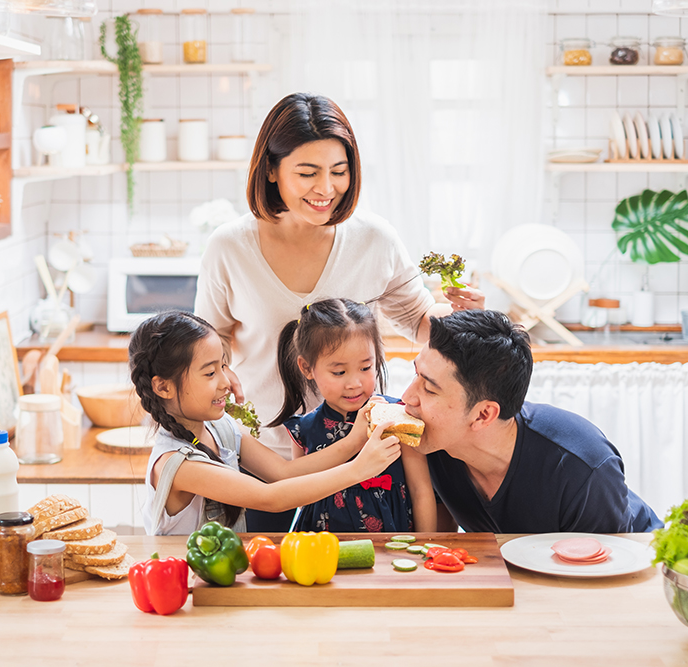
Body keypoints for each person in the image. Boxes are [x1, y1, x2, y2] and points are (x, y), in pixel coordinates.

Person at [195, 92, 484, 531]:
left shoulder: (374, 239)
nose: (326, 189)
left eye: (339, 171)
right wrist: (219, 380)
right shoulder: (229, 247)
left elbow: (422, 324)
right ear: (271, 170)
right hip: (270, 457)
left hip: (371, 454)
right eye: (307, 173)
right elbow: (207, 349)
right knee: (277, 587)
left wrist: (465, 318)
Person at [131, 310, 402, 536]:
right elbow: (270, 497)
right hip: (186, 588)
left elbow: (284, 472)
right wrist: (358, 469)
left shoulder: (221, 427)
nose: (226, 382)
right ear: (163, 387)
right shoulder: (177, 464)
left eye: (224, 367)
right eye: (211, 372)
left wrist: (354, 441)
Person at [400, 309, 663, 534]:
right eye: (416, 375)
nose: (407, 397)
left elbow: (609, 577)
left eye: (430, 389)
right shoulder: (434, 441)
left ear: (483, 415)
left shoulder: (581, 468)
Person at [271, 298, 436, 533]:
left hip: (392, 545)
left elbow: (421, 491)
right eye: (339, 372)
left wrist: (424, 548)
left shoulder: (397, 417)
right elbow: (297, 491)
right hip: (322, 548)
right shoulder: (304, 430)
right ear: (307, 368)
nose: (355, 383)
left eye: (366, 368)